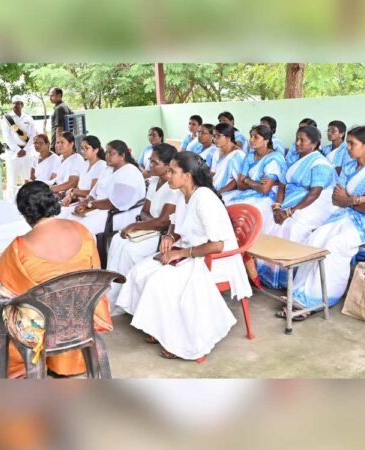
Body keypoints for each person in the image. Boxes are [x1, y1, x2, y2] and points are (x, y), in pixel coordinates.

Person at [116, 151, 251, 361]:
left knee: (160, 282)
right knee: (140, 272)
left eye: (172, 171)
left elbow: (217, 245)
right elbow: (177, 223)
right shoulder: (182, 194)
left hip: (216, 259)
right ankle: (159, 327)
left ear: (187, 175)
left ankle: (180, 341)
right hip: (192, 252)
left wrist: (180, 253)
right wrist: (170, 236)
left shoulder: (204, 198)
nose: (167, 175)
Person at [0, 180, 113, 378]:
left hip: (43, 327)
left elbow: (6, 289)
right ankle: (70, 363)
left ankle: (22, 368)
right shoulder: (83, 231)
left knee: (1, 310)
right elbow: (94, 270)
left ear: (25, 212)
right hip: (83, 315)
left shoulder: (19, 247)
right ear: (53, 202)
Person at [282, 126, 365, 319]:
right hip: (346, 214)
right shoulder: (349, 167)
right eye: (347, 143)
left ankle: (321, 298)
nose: (347, 148)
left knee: (335, 245)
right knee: (315, 239)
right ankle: (298, 294)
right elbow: (335, 199)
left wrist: (350, 200)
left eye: (352, 144)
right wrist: (358, 199)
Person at [257, 125, 337, 289]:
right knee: (267, 219)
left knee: (293, 225)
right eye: (297, 139)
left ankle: (290, 278)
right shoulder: (293, 160)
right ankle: (269, 274)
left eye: (302, 140)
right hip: (289, 200)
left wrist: (290, 212)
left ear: (314, 144)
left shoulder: (320, 163)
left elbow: (314, 193)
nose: (297, 143)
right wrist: (277, 207)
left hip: (314, 203)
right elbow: (282, 186)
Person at [106, 143, 182, 314]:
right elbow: (145, 211)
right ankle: (113, 296)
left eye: (155, 163)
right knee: (118, 240)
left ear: (168, 165)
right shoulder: (154, 181)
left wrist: (137, 225)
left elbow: (163, 222)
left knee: (129, 251)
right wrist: (146, 223)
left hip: (162, 235)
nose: (150, 166)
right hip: (148, 228)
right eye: (150, 162)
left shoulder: (173, 187)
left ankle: (126, 302)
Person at [65, 140, 146, 236]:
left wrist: (90, 204)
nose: (107, 156)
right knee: (67, 220)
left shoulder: (129, 172)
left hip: (117, 214)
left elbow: (114, 203)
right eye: (107, 152)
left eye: (111, 153)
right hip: (97, 207)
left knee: (80, 229)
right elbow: (94, 192)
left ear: (122, 156)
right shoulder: (107, 169)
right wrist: (84, 203)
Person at [225, 124, 287, 233]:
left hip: (267, 196)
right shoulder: (250, 155)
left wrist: (247, 180)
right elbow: (239, 184)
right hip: (246, 192)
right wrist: (255, 183)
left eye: (256, 137)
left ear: (266, 140)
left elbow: (264, 189)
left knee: (244, 212)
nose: (251, 140)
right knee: (223, 204)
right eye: (251, 136)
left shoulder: (274, 158)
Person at [0, 95, 37, 198]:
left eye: (18, 103)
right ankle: (11, 201)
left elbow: (33, 135)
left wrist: (24, 149)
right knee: (12, 178)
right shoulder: (7, 118)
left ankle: (29, 199)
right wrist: (18, 150)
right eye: (14, 103)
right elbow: (7, 137)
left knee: (28, 177)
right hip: (12, 153)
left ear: (22, 105)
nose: (16, 105)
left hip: (27, 152)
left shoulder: (28, 118)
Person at [60, 135, 107, 206]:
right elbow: (79, 187)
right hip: (79, 202)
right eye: (82, 148)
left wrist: (73, 191)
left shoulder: (101, 165)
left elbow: (92, 193)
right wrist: (70, 197)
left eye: (86, 148)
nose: (83, 151)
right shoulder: (85, 164)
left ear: (96, 150)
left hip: (93, 205)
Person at [209, 123, 246, 200]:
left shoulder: (238, 155)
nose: (214, 139)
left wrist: (218, 193)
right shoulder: (217, 152)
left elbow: (236, 182)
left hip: (229, 192)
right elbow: (213, 173)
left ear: (228, 137)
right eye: (214, 136)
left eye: (218, 136)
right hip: (215, 189)